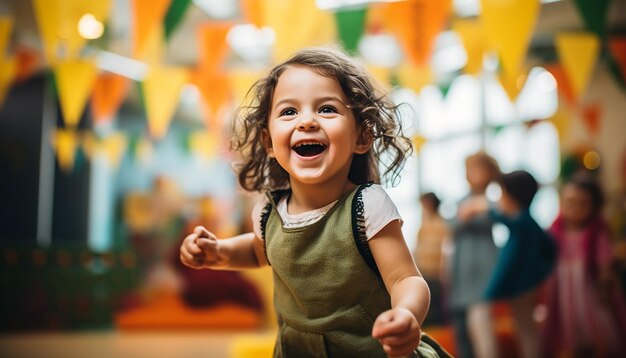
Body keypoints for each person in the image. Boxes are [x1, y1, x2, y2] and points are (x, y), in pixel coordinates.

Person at [180, 47, 450, 357]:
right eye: (289, 111)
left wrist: (406, 314)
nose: (306, 121)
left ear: (361, 137)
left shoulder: (366, 206)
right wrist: (219, 252)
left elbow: (405, 278)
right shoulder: (269, 211)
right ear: (269, 142)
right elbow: (258, 250)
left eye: (326, 109)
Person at [460, 170, 557, 358]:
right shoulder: (528, 224)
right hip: (523, 287)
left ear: (511, 196)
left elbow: (509, 220)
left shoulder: (524, 223)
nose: (500, 199)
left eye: (502, 194)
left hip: (518, 287)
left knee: (482, 317)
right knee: (526, 329)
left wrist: (484, 207)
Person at [541, 173, 626, 357]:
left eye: (582, 204)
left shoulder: (597, 233)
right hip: (564, 294)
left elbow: (605, 265)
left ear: (594, 207)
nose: (574, 209)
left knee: (598, 333)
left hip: (591, 292)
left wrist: (605, 285)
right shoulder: (555, 231)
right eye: (569, 202)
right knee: (570, 334)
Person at [448, 151, 500, 358]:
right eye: (468, 169)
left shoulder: (492, 203)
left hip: (482, 272)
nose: (471, 174)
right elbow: (451, 224)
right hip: (462, 273)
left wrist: (477, 210)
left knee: (482, 329)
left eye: (477, 168)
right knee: (462, 331)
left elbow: (496, 217)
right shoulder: (462, 202)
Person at [414, 192, 450, 327]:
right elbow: (418, 248)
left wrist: (444, 273)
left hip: (437, 276)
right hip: (423, 274)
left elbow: (446, 250)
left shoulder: (442, 224)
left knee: (436, 313)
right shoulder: (423, 225)